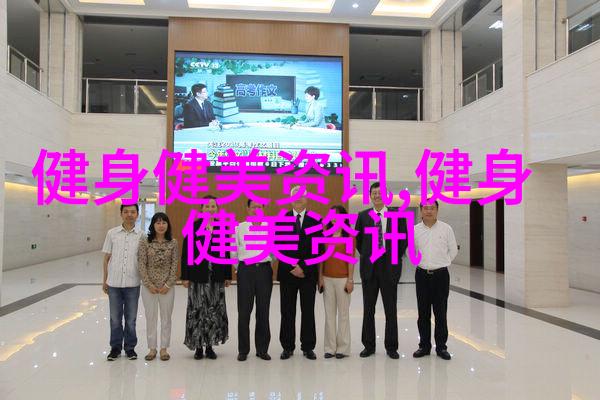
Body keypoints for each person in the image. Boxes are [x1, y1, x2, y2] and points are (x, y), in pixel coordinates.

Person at [355, 182, 408, 359]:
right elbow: (359, 242)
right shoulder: (363, 216)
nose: (377, 195)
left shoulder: (397, 216)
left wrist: (393, 257)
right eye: (374, 193)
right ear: (370, 196)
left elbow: (403, 240)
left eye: (380, 192)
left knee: (390, 309)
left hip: (389, 267)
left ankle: (391, 347)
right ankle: (368, 346)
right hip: (369, 268)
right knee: (368, 309)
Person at [181, 195, 232, 360]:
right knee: (197, 311)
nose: (210, 209)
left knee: (214, 311)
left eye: (213, 206)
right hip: (198, 277)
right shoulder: (193, 227)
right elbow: (186, 253)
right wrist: (185, 276)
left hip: (216, 277)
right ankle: (198, 346)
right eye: (207, 206)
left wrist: (227, 275)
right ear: (201, 209)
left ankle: (210, 346)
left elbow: (226, 253)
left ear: (217, 209)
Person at [277, 185, 322, 360]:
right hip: (287, 273)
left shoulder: (315, 220)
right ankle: (287, 347)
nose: (298, 199)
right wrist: (293, 266)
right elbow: (279, 246)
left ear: (307, 199)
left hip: (308, 274)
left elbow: (318, 248)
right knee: (287, 311)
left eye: (301, 196)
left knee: (308, 311)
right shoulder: (282, 219)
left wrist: (303, 267)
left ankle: (308, 346)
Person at [412, 200, 458, 361]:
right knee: (423, 313)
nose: (429, 211)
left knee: (441, 313)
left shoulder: (446, 229)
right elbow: (410, 250)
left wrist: (442, 263)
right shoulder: (415, 230)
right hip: (422, 275)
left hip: (441, 276)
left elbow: (453, 250)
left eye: (432, 208)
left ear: (437, 210)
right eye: (426, 208)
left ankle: (441, 347)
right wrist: (420, 263)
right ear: (421, 211)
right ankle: (424, 346)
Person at [102, 203, 144, 361]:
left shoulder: (142, 235)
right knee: (115, 319)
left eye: (133, 212)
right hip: (114, 284)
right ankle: (115, 348)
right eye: (126, 212)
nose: (129, 214)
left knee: (131, 320)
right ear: (121, 214)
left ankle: (130, 348)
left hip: (133, 284)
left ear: (137, 214)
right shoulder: (112, 233)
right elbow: (106, 259)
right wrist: (104, 280)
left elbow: (143, 260)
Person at [233, 199, 273, 361]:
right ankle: (243, 350)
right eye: (253, 207)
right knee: (244, 311)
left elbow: (275, 251)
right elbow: (233, 251)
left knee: (263, 311)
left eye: (260, 207)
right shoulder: (239, 228)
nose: (257, 209)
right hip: (245, 271)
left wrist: (265, 262)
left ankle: (262, 349)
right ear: (247, 209)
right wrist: (240, 269)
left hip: (264, 271)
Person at [137, 212, 178, 362]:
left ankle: (164, 348)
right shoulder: (145, 242)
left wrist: (168, 284)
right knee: (151, 317)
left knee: (166, 318)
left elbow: (175, 264)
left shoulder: (173, 242)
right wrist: (148, 284)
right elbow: (141, 263)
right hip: (149, 288)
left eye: (164, 222)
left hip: (167, 287)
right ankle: (152, 348)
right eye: (158, 223)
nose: (161, 226)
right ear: (153, 225)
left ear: (168, 225)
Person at [318, 205, 355, 359]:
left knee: (343, 314)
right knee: (329, 314)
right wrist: (320, 277)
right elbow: (321, 259)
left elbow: (351, 259)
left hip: (343, 279)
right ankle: (329, 348)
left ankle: (343, 348)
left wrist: (350, 280)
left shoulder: (349, 236)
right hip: (327, 279)